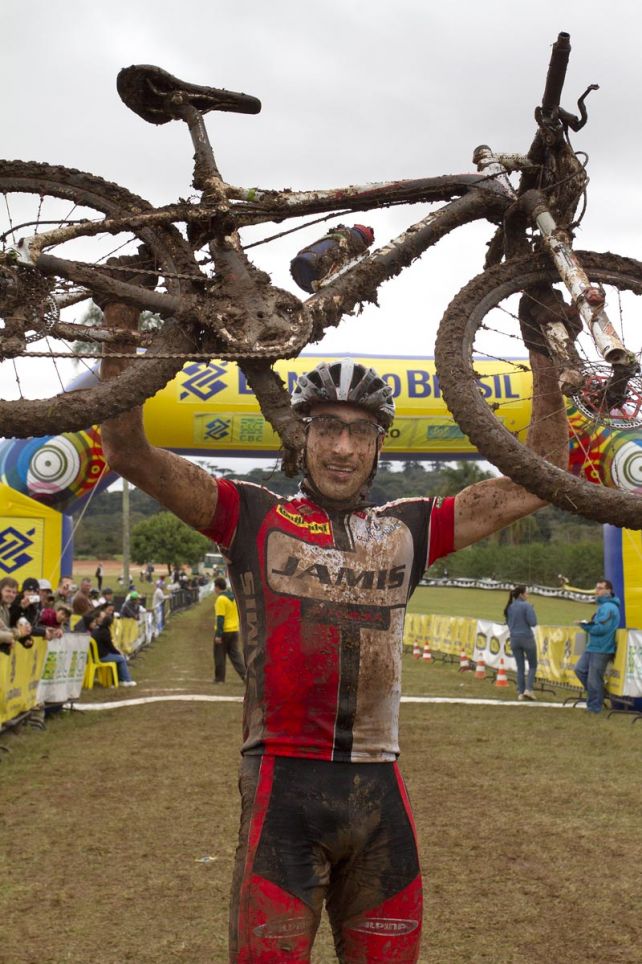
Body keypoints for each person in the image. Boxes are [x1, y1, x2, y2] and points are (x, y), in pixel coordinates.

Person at [100, 287, 571, 959]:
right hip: (281, 790)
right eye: (327, 428)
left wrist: (543, 356)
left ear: (381, 443)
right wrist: (121, 327)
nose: (342, 447)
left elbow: (536, 481)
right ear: (304, 436)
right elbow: (127, 450)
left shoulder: (409, 527)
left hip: (381, 791)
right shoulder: (251, 516)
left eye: (359, 431)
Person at [574, 578, 620, 714]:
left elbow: (601, 629)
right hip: (592, 647)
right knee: (580, 670)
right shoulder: (603, 607)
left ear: (608, 591)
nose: (597, 591)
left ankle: (594, 707)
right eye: (596, 588)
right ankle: (599, 695)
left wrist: (585, 625)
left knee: (594, 679)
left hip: (602, 649)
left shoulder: (609, 608)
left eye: (600, 588)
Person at [83, 606, 137, 687]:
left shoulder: (97, 630)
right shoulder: (105, 632)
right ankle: (126, 679)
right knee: (121, 659)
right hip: (102, 656)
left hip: (96, 655)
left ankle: (118, 679)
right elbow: (110, 647)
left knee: (118, 658)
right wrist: (118, 652)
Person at [504, 585, 538, 700]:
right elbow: (533, 623)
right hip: (527, 638)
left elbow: (508, 623)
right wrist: (532, 610)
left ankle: (520, 692)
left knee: (520, 667)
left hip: (514, 639)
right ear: (521, 595)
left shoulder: (509, 607)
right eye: (526, 593)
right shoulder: (527, 606)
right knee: (533, 665)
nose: (528, 595)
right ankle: (528, 689)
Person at [213, 576, 245, 684]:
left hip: (224, 631)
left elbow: (220, 618)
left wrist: (218, 634)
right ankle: (245, 675)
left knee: (219, 655)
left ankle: (220, 679)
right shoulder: (233, 598)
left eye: (214, 587)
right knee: (236, 655)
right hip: (234, 630)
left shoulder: (221, 599)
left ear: (217, 587)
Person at [0, 577, 33, 654]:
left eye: (14, 592)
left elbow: (6, 629)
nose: (11, 595)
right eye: (8, 591)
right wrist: (19, 633)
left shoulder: (6, 607)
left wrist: (24, 637)